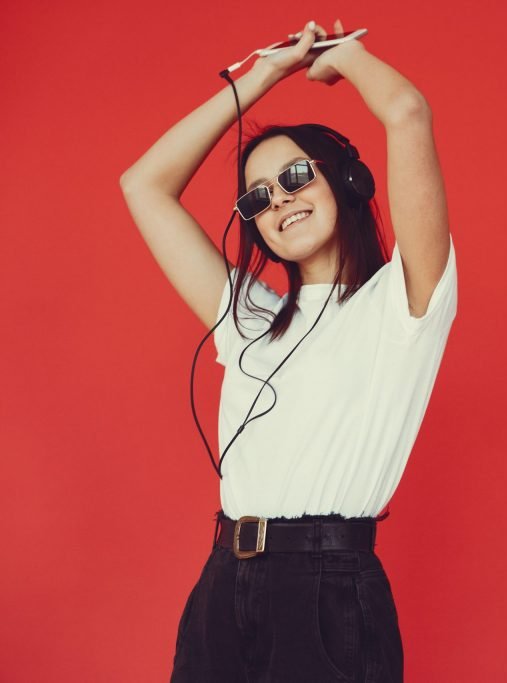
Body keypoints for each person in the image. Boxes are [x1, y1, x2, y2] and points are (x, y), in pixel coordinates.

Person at [119, 18, 456, 682]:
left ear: (348, 182)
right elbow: (143, 186)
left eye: (297, 175)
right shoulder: (250, 318)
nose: (280, 200)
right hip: (224, 582)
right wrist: (260, 77)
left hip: (328, 592)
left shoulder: (404, 303)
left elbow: (408, 112)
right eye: (258, 196)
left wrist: (343, 57)